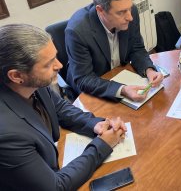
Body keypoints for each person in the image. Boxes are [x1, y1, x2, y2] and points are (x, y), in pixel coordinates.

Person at [0, 24, 127, 190]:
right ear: (17, 76)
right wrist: (103, 145)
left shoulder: (32, 83)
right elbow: (56, 187)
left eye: (55, 57)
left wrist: (95, 125)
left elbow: (60, 108)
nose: (59, 65)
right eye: (48, 64)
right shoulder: (7, 134)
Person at [66, 0, 163, 102]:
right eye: (121, 12)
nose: (130, 17)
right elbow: (84, 78)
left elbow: (136, 48)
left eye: (129, 8)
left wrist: (149, 70)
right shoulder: (77, 32)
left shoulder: (131, 12)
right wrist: (121, 90)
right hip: (94, 85)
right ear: (100, 10)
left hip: (120, 74)